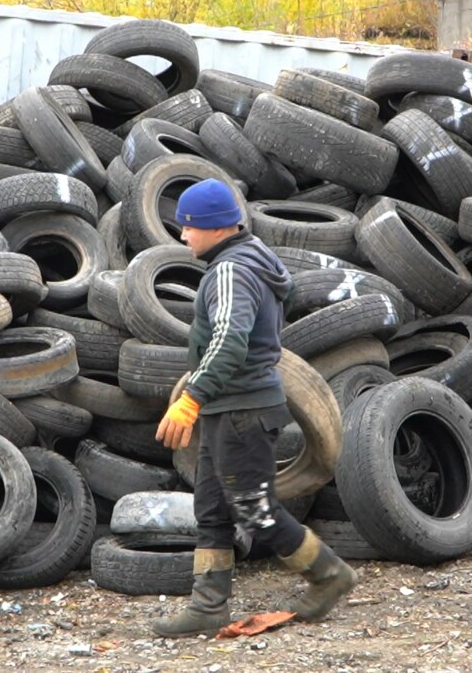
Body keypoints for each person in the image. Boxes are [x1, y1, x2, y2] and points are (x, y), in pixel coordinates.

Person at [151, 178, 357, 639]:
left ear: (214, 227)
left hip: (243, 409)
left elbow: (229, 341)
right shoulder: (244, 262)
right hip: (229, 408)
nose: (183, 236)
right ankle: (208, 605)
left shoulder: (229, 271)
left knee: (253, 509)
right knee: (212, 504)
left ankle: (329, 574)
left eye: (188, 227)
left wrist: (190, 399)